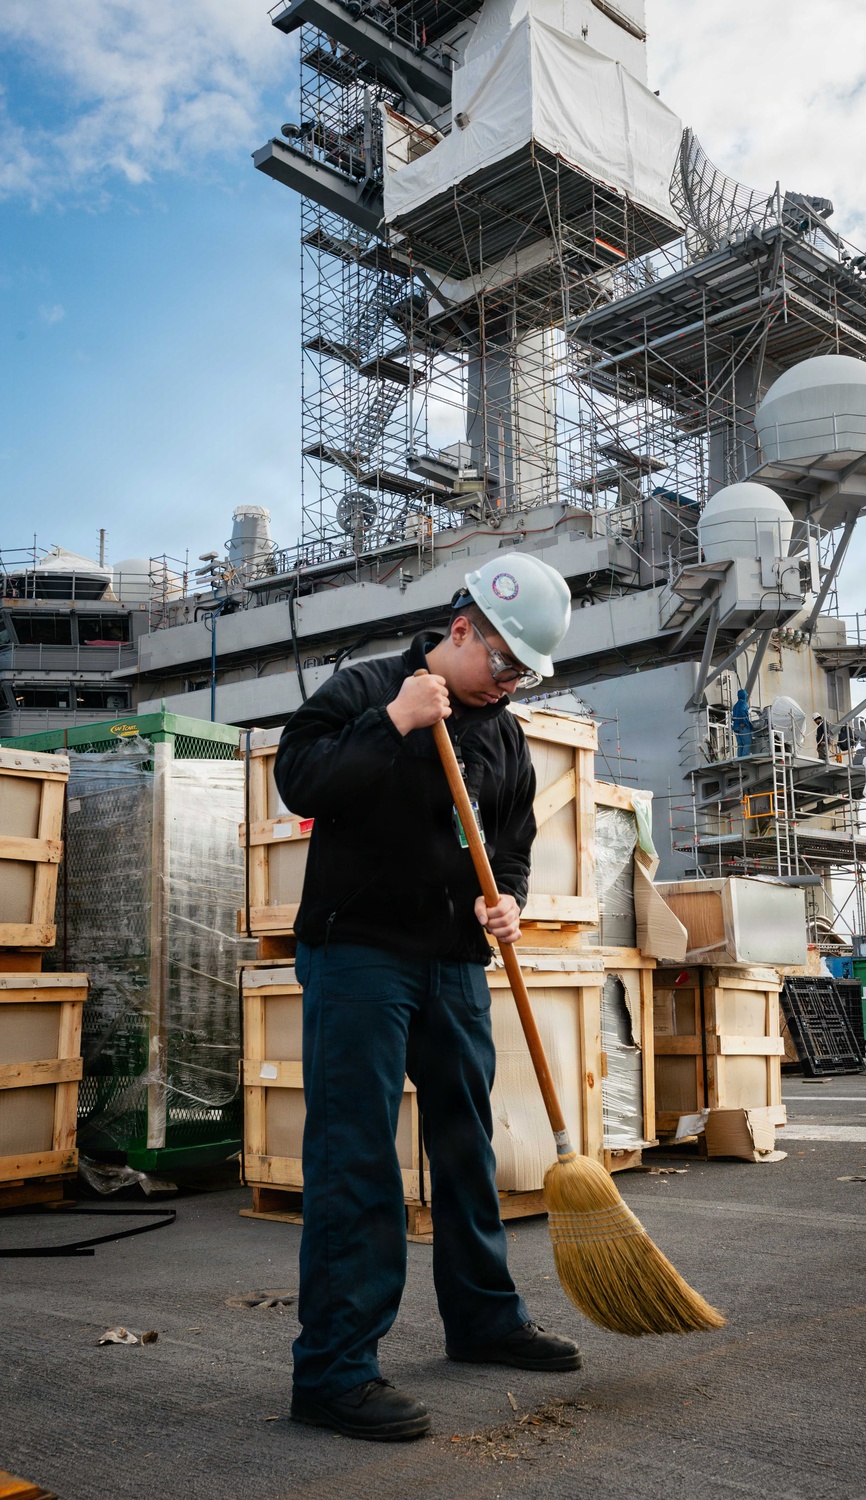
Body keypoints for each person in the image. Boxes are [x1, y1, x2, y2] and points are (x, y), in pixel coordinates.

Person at [273, 551, 581, 1443]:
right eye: (504, 663)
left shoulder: (505, 730)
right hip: (361, 952)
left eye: (525, 671)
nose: (511, 682)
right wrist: (394, 723)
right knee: (357, 1156)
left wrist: (508, 898)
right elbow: (301, 781)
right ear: (462, 629)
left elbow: (511, 832)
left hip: (452, 962)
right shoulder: (366, 686)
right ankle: (334, 1372)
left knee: (465, 1145)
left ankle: (483, 1319)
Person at [731, 687, 752, 758]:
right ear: (744, 695)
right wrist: (742, 722)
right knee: (747, 742)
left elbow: (733, 716)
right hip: (742, 726)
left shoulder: (735, 705)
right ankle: (744, 757)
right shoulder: (744, 703)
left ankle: (739, 757)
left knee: (740, 743)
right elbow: (742, 712)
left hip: (736, 726)